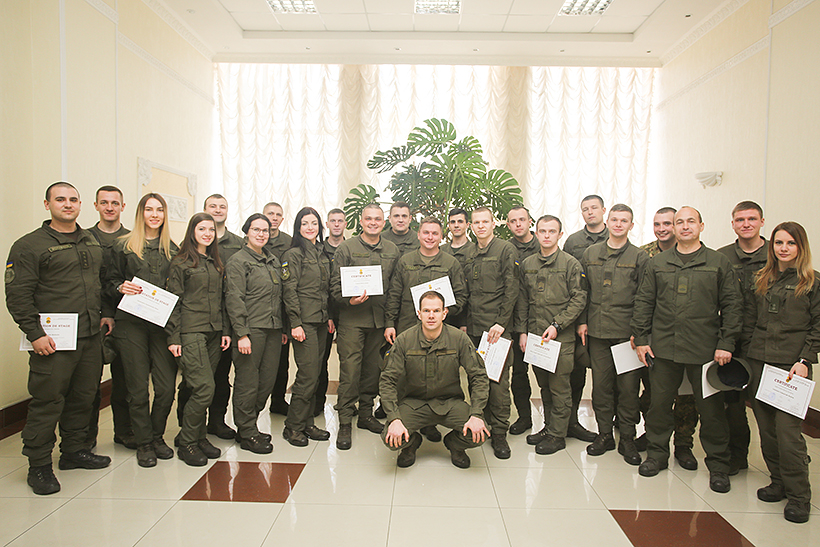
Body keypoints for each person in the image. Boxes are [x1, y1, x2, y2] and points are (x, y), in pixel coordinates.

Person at [5, 182, 111, 495]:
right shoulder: (29, 245)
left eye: (73, 199)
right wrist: (34, 334)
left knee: (83, 397)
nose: (68, 204)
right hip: (53, 341)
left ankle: (74, 451)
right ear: (47, 204)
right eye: (60, 199)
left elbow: (101, 282)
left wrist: (105, 314)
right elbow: (18, 295)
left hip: (89, 336)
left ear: (81, 204)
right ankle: (39, 465)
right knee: (48, 401)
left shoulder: (90, 240)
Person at [632, 206, 742, 494]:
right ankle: (657, 455)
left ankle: (718, 465)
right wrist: (641, 338)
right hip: (663, 348)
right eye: (679, 222)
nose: (684, 226)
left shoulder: (718, 262)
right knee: (658, 406)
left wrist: (726, 343)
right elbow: (644, 302)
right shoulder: (658, 263)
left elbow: (732, 306)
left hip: (705, 350)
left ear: (701, 226)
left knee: (711, 411)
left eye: (690, 221)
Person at [745, 222, 818, 524]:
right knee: (767, 430)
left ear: (801, 247)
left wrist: (805, 359)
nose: (783, 248)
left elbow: (817, 327)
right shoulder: (762, 279)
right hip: (759, 363)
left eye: (790, 243)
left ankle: (799, 496)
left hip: (792, 368)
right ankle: (778, 482)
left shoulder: (812, 283)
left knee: (788, 435)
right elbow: (750, 320)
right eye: (778, 243)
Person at [105, 193, 178, 467]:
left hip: (161, 326)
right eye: (149, 209)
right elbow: (107, 281)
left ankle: (157, 436)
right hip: (130, 324)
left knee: (166, 387)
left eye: (159, 209)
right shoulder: (122, 246)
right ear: (141, 213)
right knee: (137, 388)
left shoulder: (173, 249)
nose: (154, 214)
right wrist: (119, 287)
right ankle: (144, 442)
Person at [381, 291, 490, 469]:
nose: (431, 316)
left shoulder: (459, 338)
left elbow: (478, 375)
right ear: (419, 313)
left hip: (450, 403)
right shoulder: (404, 340)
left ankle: (454, 444)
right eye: (426, 311)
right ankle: (411, 443)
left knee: (481, 432)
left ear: (444, 313)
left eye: (436, 311)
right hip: (414, 403)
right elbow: (387, 380)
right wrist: (394, 418)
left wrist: (476, 414)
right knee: (390, 437)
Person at [384, 216, 468, 442]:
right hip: (407, 327)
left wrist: (439, 311)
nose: (430, 237)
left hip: (438, 331)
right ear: (418, 234)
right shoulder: (405, 261)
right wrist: (390, 323)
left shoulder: (451, 263)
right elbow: (394, 294)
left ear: (441, 237)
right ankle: (407, 427)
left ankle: (430, 422)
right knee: (405, 377)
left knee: (435, 376)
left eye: (435, 233)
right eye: (426, 233)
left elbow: (461, 296)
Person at [578, 205, 648, 465]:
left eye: (624, 221)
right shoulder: (590, 253)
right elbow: (582, 291)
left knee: (628, 389)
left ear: (631, 225)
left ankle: (627, 437)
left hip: (627, 335)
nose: (619, 224)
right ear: (607, 222)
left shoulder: (640, 257)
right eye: (615, 219)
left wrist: (639, 333)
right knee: (601, 387)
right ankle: (604, 434)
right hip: (597, 332)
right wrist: (582, 322)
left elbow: (644, 297)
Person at [515, 215, 587, 455]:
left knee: (559, 387)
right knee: (544, 386)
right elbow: (522, 300)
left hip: (560, 338)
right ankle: (549, 428)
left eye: (552, 231)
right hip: (536, 337)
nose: (547, 235)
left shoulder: (570, 264)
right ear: (536, 234)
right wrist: (523, 332)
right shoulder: (527, 264)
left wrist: (558, 324)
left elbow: (579, 299)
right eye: (542, 231)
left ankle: (558, 435)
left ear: (560, 234)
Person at [330, 204, 400, 449]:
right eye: (368, 218)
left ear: (384, 222)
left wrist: (389, 322)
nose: (373, 222)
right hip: (352, 320)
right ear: (361, 222)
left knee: (372, 371)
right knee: (350, 372)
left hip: (379, 322)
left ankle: (366, 415)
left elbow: (394, 290)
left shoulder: (392, 250)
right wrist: (349, 300)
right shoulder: (346, 248)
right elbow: (335, 286)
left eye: (377, 219)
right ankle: (345, 421)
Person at [166, 213, 231, 466]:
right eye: (202, 229)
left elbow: (222, 300)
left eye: (211, 230)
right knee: (204, 388)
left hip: (214, 332)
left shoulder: (215, 263)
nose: (207, 234)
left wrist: (225, 331)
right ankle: (187, 442)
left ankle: (198, 436)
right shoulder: (180, 263)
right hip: (190, 332)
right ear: (192, 231)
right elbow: (174, 302)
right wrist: (174, 337)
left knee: (203, 386)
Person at [640, 207, 700, 469]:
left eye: (668, 223)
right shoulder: (644, 255)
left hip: (691, 338)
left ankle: (684, 444)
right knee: (655, 395)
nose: (662, 229)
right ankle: (655, 441)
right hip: (656, 337)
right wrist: (640, 333)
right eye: (657, 224)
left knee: (686, 397)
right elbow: (641, 296)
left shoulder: (698, 255)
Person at [224, 213, 284, 454]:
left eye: (265, 230)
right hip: (251, 330)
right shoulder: (238, 261)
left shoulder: (273, 260)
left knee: (267, 381)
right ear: (246, 232)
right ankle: (246, 430)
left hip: (273, 329)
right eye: (256, 229)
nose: (261, 234)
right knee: (248, 382)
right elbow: (234, 298)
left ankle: (250, 424)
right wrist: (241, 334)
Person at [717, 200, 767, 475]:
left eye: (751, 219)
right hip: (732, 339)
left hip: (768, 341)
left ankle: (785, 459)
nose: (746, 224)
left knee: (767, 403)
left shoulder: (777, 254)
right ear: (733, 223)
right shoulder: (722, 257)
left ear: (761, 222)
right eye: (740, 220)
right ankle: (737, 456)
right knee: (732, 404)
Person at [463, 207, 518, 459]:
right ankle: (481, 423)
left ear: (493, 223)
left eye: (485, 221)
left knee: (498, 384)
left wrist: (501, 323)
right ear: (471, 226)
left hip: (496, 329)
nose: (481, 226)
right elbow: (466, 292)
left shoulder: (505, 249)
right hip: (473, 328)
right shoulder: (469, 252)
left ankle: (499, 433)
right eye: (476, 222)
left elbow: (512, 288)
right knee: (477, 379)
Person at [281, 207, 335, 447]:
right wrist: (295, 323)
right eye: (305, 224)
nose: (310, 228)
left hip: (321, 321)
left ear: (320, 227)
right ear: (298, 227)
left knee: (317, 374)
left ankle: (307, 422)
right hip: (304, 323)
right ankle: (293, 426)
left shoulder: (322, 253)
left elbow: (326, 290)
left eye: (314, 223)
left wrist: (330, 316)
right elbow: (289, 291)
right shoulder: (293, 254)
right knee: (307, 375)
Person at [88, 185, 132, 450]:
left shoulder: (132, 239)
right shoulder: (84, 239)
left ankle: (124, 432)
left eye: (115, 203)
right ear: (96, 206)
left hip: (124, 319)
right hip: (91, 319)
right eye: (104, 202)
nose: (109, 207)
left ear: (122, 207)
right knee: (87, 384)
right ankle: (85, 440)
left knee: (125, 380)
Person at [562, 195, 608, 443]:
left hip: (607, 317)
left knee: (607, 377)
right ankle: (571, 422)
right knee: (575, 373)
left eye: (594, 208)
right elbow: (568, 280)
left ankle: (610, 427)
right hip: (577, 317)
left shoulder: (615, 237)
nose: (590, 212)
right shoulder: (574, 241)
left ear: (603, 210)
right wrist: (578, 319)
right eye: (585, 209)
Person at [505, 206, 541, 436]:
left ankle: (554, 424)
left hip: (539, 319)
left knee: (545, 374)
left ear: (530, 221)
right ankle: (524, 417)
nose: (518, 224)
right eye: (513, 221)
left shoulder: (543, 245)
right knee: (518, 373)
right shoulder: (505, 248)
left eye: (522, 219)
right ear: (508, 224)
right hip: (513, 321)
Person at [263, 201, 293, 417]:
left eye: (278, 215)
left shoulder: (289, 242)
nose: (274, 218)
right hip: (258, 308)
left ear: (282, 219)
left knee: (282, 362)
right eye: (270, 214)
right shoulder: (252, 238)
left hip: (281, 310)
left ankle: (278, 400)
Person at [316, 208, 346, 417]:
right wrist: (327, 315)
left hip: (348, 311)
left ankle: (346, 402)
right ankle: (318, 403)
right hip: (323, 313)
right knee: (320, 359)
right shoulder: (318, 250)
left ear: (345, 224)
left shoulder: (352, 248)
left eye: (340, 221)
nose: (336, 224)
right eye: (332, 221)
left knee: (349, 360)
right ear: (327, 224)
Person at [440, 207, 475, 328]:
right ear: (448, 225)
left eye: (460, 221)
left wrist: (464, 322)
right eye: (452, 222)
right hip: (444, 313)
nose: (456, 225)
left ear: (467, 225)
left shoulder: (475, 251)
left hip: (469, 313)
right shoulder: (441, 251)